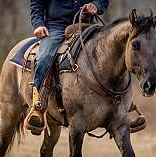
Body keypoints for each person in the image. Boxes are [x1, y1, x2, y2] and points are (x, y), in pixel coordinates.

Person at [27, 0, 109, 133]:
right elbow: (36, 2)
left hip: (88, 25)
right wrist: (38, 24)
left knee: (112, 51)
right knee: (44, 57)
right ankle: (37, 106)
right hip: (56, 26)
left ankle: (121, 109)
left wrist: (96, 5)